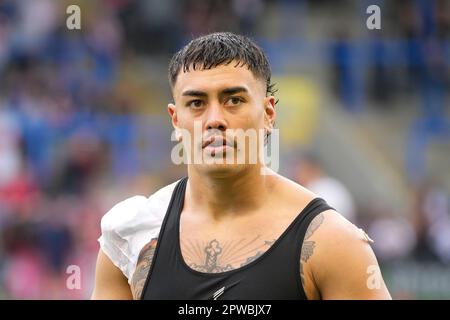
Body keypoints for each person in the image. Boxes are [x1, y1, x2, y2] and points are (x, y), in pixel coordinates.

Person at [91, 32, 391, 300]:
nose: (214, 120)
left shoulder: (331, 243)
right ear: (176, 119)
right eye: (196, 103)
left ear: (268, 113)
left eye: (233, 100)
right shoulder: (132, 237)